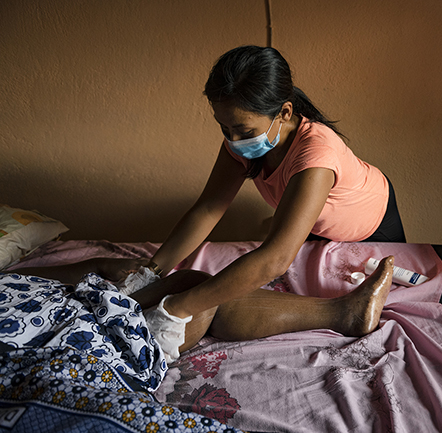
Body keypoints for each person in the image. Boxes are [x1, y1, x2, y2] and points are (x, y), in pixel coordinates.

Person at [135, 45, 405, 328]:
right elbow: (208, 208)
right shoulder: (239, 144)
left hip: (372, 226)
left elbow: (275, 260)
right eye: (225, 128)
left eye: (245, 131)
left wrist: (177, 308)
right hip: (320, 227)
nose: (234, 139)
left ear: (285, 112)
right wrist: (151, 272)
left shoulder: (317, 154)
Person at [2, 256, 395, 366]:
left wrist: (105, 267)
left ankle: (343, 313)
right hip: (54, 335)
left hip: (51, 299)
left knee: (191, 283)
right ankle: (342, 313)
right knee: (194, 289)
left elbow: (19, 277)